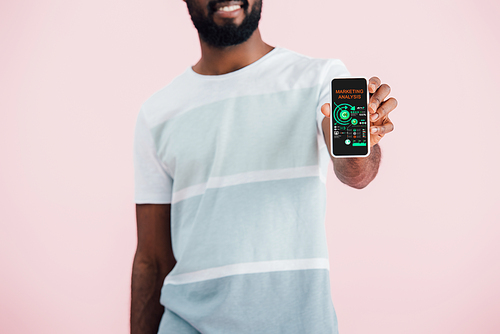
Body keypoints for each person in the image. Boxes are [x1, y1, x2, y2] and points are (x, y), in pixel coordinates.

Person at [130, 0, 397, 333]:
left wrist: (360, 145)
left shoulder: (321, 79)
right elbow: (151, 261)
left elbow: (355, 170)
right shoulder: (157, 113)